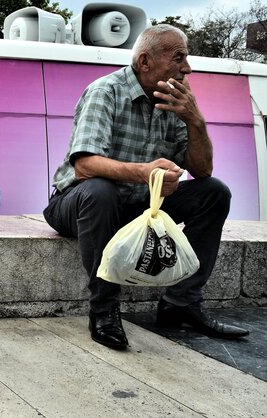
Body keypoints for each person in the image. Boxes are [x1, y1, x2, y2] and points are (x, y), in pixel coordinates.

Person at [43, 24, 249, 350]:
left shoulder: (174, 102)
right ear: (145, 62)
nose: (187, 67)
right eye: (178, 58)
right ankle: (104, 308)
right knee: (101, 190)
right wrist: (145, 173)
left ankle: (180, 303)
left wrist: (195, 120)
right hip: (77, 202)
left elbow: (203, 169)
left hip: (135, 204)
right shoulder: (105, 92)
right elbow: (84, 165)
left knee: (214, 192)